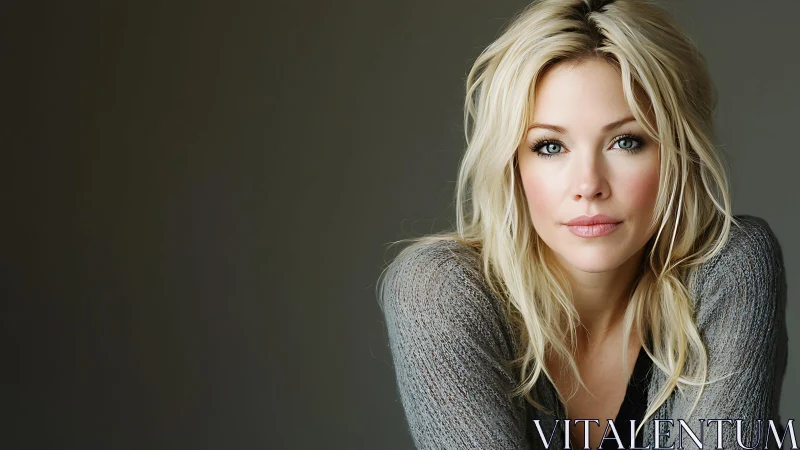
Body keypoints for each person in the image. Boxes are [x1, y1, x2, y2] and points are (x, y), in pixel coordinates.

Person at [375, 0, 789, 449]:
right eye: (550, 146)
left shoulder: (732, 268)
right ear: (513, 163)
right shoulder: (439, 290)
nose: (589, 185)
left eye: (626, 141)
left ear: (678, 154)